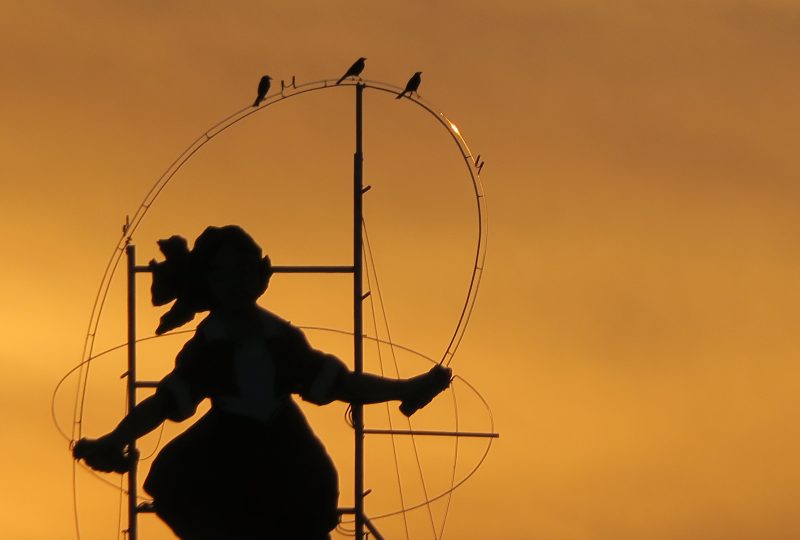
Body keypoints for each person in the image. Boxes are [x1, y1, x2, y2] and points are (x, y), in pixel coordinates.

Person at [73, 225, 451, 540]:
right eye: (222, 275)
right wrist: (115, 439)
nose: (234, 284)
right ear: (208, 283)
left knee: (307, 499)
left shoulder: (280, 339)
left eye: (243, 271)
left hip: (283, 448)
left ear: (260, 276)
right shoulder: (209, 346)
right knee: (173, 483)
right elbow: (165, 403)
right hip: (225, 448)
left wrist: (406, 389)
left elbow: (341, 384)